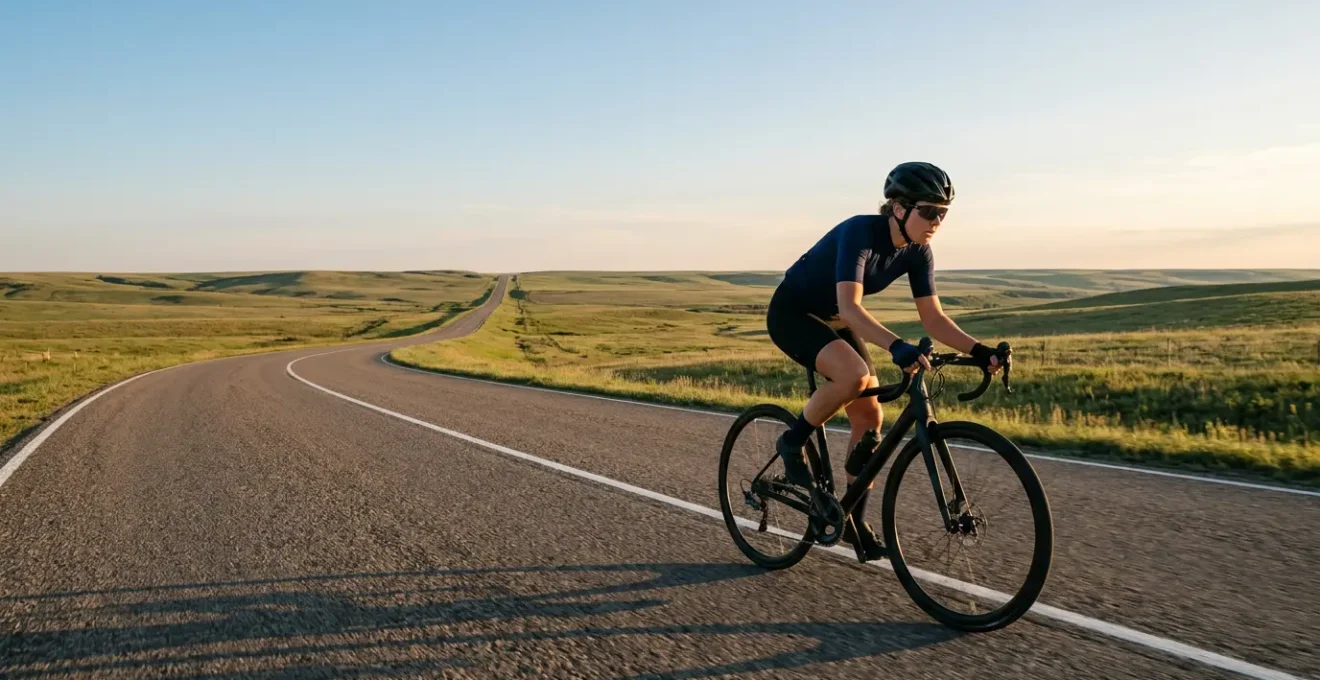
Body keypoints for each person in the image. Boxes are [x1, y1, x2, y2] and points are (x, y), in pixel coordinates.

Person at [765, 161, 1003, 561]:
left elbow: (933, 318)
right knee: (855, 376)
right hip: (793, 313)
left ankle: (855, 522)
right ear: (898, 208)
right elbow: (850, 305)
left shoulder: (918, 252)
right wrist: (897, 347)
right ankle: (791, 442)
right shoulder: (861, 233)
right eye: (928, 212)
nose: (936, 222)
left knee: (869, 418)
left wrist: (979, 350)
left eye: (942, 214)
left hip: (837, 320)